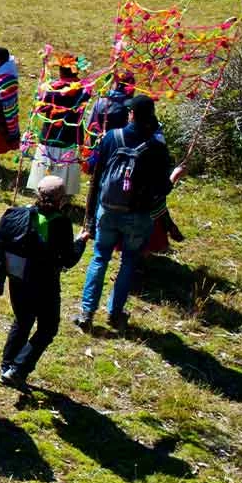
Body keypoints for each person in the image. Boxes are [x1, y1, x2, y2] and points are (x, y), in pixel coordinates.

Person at [74, 94, 173, 332]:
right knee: (128, 262)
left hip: (107, 208)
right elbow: (161, 189)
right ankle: (114, 313)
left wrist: (89, 217)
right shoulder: (158, 148)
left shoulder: (111, 137)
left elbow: (96, 178)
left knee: (99, 258)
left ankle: (87, 312)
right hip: (138, 215)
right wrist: (174, 177)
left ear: (131, 114)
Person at [0, 176, 88, 389]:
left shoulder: (17, 213)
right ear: (61, 200)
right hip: (45, 283)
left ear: (37, 194)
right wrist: (80, 243)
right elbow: (68, 259)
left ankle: (6, 366)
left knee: (22, 320)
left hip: (17, 279)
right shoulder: (61, 223)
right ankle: (18, 369)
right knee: (48, 328)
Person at [26, 53, 90, 198]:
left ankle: (44, 192)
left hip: (50, 134)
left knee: (48, 160)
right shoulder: (83, 90)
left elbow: (41, 106)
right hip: (71, 134)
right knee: (65, 162)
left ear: (60, 71)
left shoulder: (51, 88)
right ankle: (63, 196)